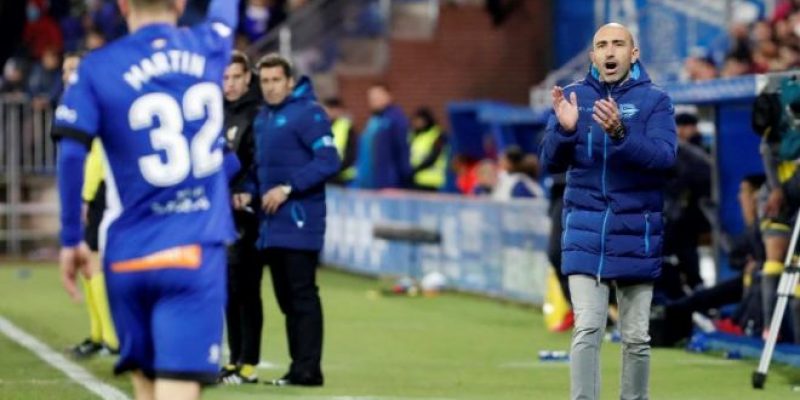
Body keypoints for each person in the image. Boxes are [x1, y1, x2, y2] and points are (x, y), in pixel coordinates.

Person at [52, 0, 240, 399]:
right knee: (177, 387)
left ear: (122, 5)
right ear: (180, 3)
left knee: (146, 388)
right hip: (192, 252)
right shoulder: (211, 43)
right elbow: (226, 10)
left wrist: (71, 237)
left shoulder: (96, 67)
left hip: (129, 254)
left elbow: (70, 154)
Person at [539, 23, 677, 400]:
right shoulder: (572, 97)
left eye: (618, 44)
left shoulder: (655, 101)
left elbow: (665, 160)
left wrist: (620, 134)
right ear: (593, 56)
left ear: (634, 53)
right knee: (587, 330)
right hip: (584, 231)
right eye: (602, 45)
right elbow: (550, 162)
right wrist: (565, 132)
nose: (610, 51)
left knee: (636, 337)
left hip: (636, 232)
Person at [251, 53, 340, 386]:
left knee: (302, 295)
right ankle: (299, 366)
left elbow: (330, 159)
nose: (271, 88)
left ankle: (308, 369)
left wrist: (288, 188)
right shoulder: (263, 118)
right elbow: (261, 168)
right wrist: (249, 191)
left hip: (301, 219)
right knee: (287, 299)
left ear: (290, 82)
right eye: (265, 81)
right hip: (271, 224)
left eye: (276, 81)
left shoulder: (309, 113)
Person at [58, 51, 119, 359]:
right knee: (88, 266)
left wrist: (84, 196)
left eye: (73, 69)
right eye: (65, 70)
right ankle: (98, 334)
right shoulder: (75, 106)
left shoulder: (90, 104)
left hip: (98, 193)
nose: (68, 75)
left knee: (94, 262)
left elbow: (96, 156)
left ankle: (110, 337)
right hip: (89, 192)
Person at [218, 50, 263, 385]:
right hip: (219, 212)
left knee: (246, 287)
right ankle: (234, 359)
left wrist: (248, 190)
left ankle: (248, 361)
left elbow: (261, 161)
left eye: (236, 77)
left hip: (247, 213)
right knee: (227, 289)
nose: (230, 84)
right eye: (225, 77)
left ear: (248, 77)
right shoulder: (216, 112)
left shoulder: (257, 113)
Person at [354, 83, 412, 189]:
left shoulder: (396, 120)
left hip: (389, 184)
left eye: (378, 96)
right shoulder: (373, 121)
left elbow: (402, 150)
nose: (374, 100)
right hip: (369, 182)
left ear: (389, 96)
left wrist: (403, 178)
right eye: (371, 98)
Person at [409, 107, 448, 192]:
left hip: (431, 181)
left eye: (420, 120)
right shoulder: (413, 135)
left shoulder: (437, 135)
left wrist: (415, 169)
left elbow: (433, 157)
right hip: (415, 179)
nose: (417, 123)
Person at [322, 97, 357, 186]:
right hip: (328, 176)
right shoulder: (324, 127)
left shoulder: (346, 127)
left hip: (343, 177)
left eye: (329, 109)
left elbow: (351, 153)